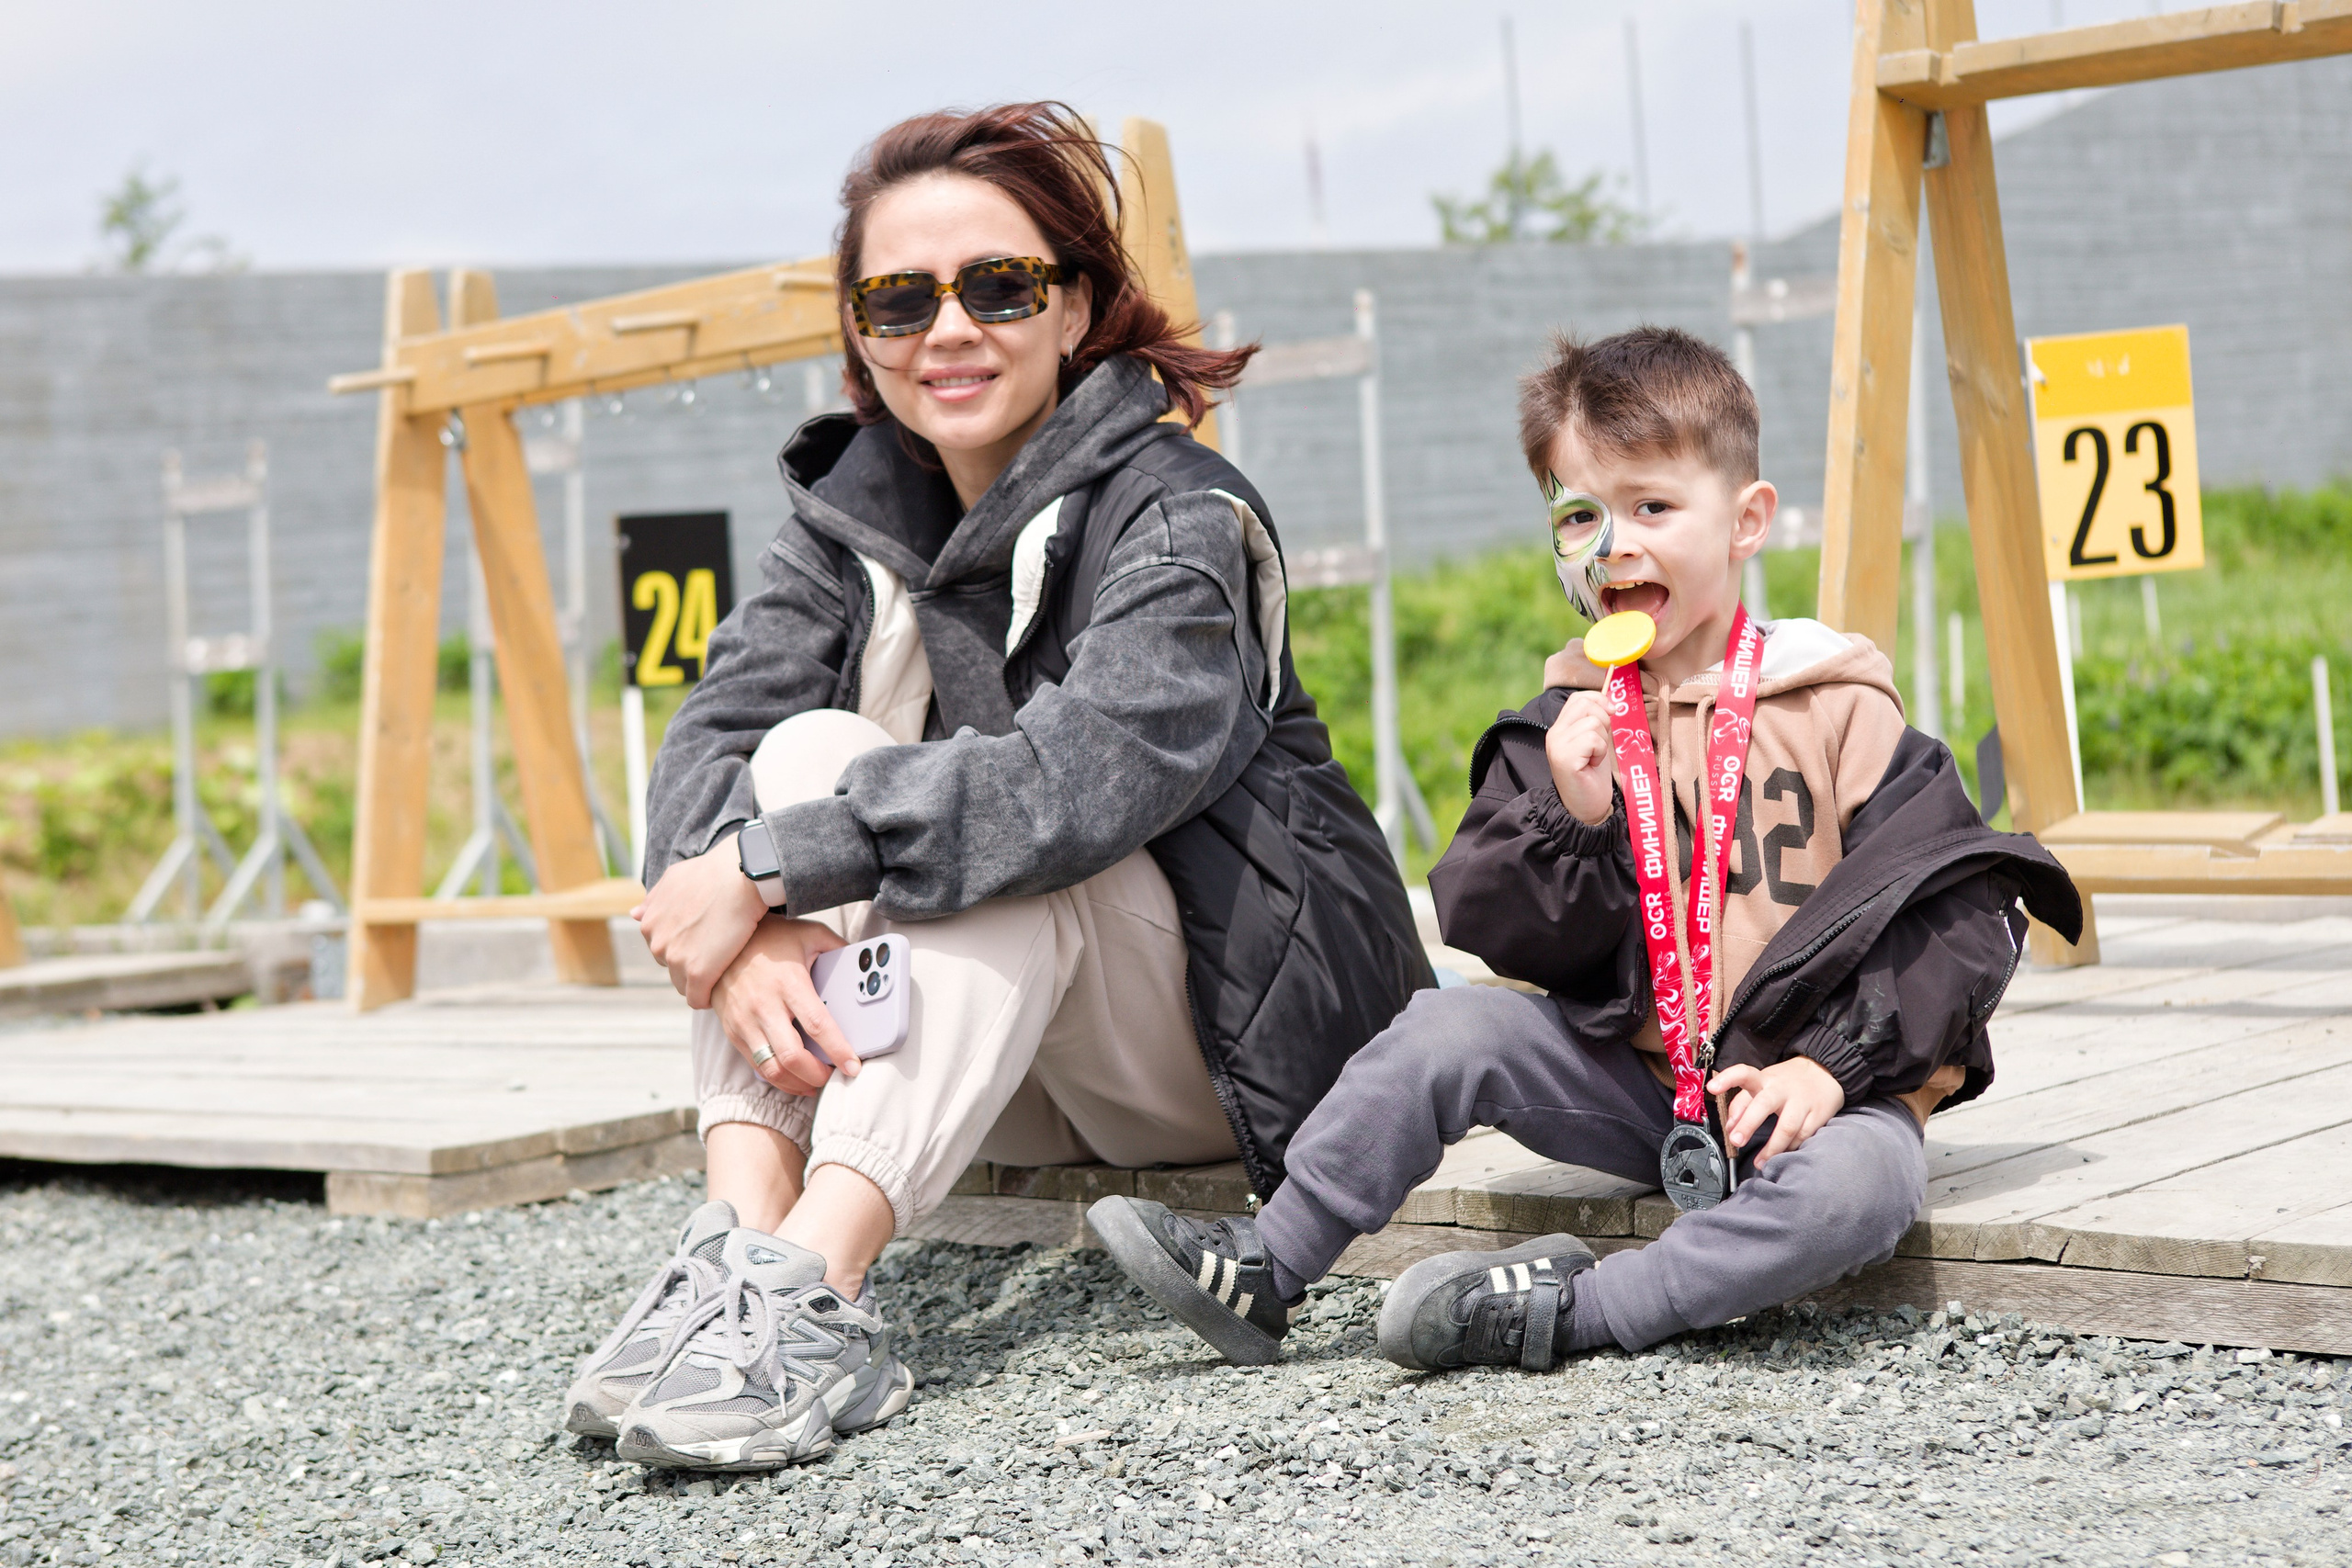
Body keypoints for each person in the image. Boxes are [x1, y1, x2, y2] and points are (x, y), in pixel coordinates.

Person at [561, 102, 1431, 1471]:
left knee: (997, 835)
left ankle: (819, 1295)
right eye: (900, 295)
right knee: (794, 759)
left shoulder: (1180, 513)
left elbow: (1077, 781)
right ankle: (735, 1253)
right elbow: (714, 732)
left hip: (1233, 1051)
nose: (947, 326)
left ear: (1076, 304)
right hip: (990, 1044)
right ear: (858, 330)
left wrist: (767, 872)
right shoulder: (848, 520)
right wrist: (750, 925)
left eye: (999, 284)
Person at [1090, 326, 2080, 1372]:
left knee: (1863, 1192)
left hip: (1809, 1104)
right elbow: (1498, 933)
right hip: (1641, 1092)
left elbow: (1957, 919)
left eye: (1653, 507)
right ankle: (1269, 1261)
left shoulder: (1834, 705)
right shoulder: (1566, 721)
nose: (1615, 545)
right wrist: (1572, 819)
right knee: (1443, 1028)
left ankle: (1575, 1310)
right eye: (1580, 516)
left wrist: (1830, 1070)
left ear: (1746, 521)